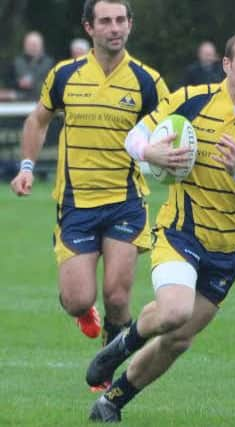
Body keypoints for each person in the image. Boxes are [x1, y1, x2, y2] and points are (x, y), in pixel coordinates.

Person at [85, 31, 235, 422]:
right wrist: (150, 151)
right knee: (173, 312)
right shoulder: (191, 98)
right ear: (227, 65)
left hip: (229, 248)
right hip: (180, 232)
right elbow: (136, 135)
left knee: (178, 340)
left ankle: (110, 402)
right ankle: (119, 346)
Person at [10, 0, 176, 391]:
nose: (114, 28)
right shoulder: (65, 75)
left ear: (130, 25)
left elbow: (169, 129)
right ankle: (84, 312)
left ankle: (106, 366)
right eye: (105, 21)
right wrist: (27, 167)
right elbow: (37, 119)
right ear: (90, 28)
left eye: (121, 20)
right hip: (75, 204)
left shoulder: (148, 81)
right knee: (76, 299)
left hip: (125, 202)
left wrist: (167, 157)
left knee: (118, 297)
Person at [9, 31, 54, 101]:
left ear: (41, 45)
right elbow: (8, 82)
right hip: (20, 103)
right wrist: (19, 83)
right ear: (25, 45)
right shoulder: (16, 62)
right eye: (30, 44)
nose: (33, 47)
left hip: (43, 103)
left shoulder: (51, 63)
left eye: (35, 44)